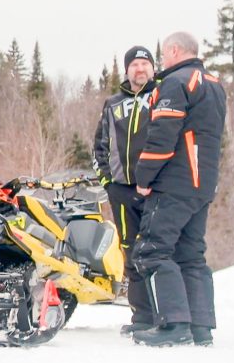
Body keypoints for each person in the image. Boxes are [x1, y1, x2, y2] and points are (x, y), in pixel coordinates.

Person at [131, 32, 226, 347]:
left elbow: (162, 136)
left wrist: (143, 178)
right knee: (191, 253)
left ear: (174, 51)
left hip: (174, 183)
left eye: (164, 54)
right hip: (202, 184)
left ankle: (173, 324)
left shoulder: (175, 83)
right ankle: (200, 327)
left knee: (152, 250)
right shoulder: (213, 84)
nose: (162, 60)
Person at [92, 45, 156, 336]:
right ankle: (141, 316)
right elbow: (99, 145)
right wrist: (107, 181)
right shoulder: (113, 103)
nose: (140, 69)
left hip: (156, 190)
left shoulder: (162, 97)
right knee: (130, 251)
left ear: (152, 68)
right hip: (121, 190)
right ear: (127, 69)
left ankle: (167, 313)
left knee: (157, 249)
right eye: (135, 65)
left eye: (145, 64)